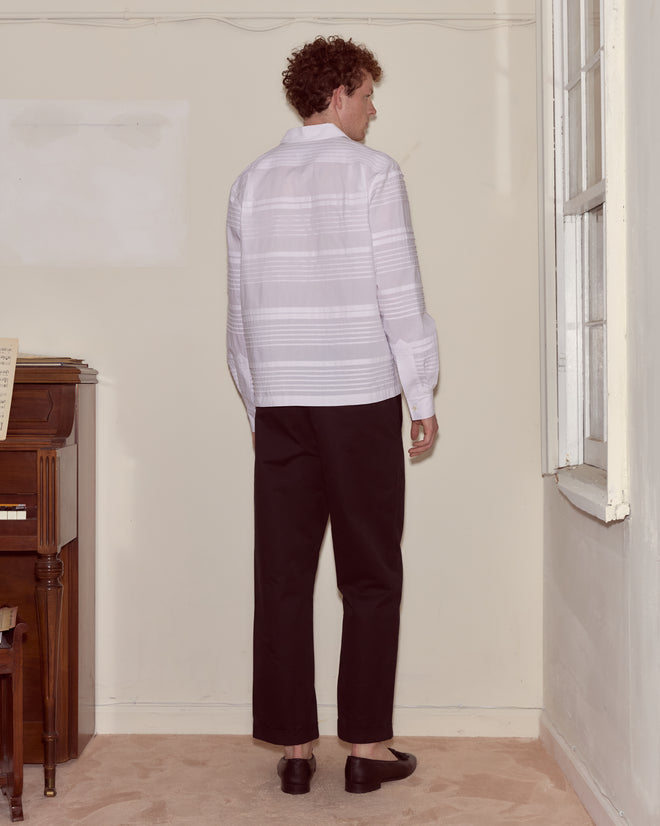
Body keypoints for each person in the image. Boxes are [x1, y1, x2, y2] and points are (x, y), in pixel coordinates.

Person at [226, 35, 439, 795]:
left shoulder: (252, 181)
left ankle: (294, 749)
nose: (374, 111)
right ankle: (366, 748)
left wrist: (259, 403)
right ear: (340, 93)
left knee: (283, 577)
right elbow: (399, 293)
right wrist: (421, 394)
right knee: (370, 574)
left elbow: (239, 315)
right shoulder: (373, 175)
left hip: (283, 401)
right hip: (358, 398)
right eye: (369, 96)